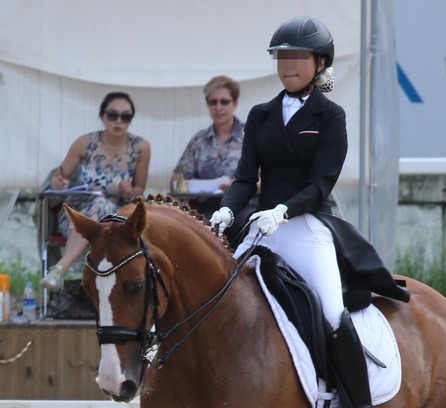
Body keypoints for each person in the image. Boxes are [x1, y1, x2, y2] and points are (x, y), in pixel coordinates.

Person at [211, 17, 374, 408]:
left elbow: (322, 184)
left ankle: (356, 400)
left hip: (306, 225)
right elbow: (246, 179)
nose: (287, 65)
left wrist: (283, 210)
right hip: (262, 226)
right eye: (282, 56)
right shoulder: (260, 115)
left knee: (334, 314)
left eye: (298, 57)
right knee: (215, 298)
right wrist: (227, 212)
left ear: (320, 64)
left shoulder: (330, 116)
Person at [40, 92, 151, 292]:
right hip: (79, 214)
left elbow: (140, 190)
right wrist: (58, 184)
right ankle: (66, 271)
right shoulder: (84, 142)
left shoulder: (141, 147)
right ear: (102, 116)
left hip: (119, 216)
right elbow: (60, 178)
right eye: (113, 115)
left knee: (102, 207)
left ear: (131, 120)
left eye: (125, 116)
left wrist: (131, 190)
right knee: (95, 206)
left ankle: (60, 269)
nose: (119, 121)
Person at [170, 75, 257, 243]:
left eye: (224, 101)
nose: (218, 107)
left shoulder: (252, 135)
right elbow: (176, 180)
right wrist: (194, 186)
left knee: (248, 230)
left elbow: (268, 180)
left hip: (244, 207)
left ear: (235, 103)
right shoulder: (199, 140)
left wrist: (237, 185)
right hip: (207, 210)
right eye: (213, 102)